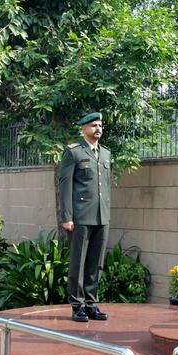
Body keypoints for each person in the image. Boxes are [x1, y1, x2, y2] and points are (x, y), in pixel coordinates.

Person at [58, 111, 111, 323]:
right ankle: (77, 306)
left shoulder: (105, 153)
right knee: (78, 263)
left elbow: (105, 188)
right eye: (93, 125)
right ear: (84, 129)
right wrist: (67, 216)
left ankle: (91, 304)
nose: (97, 128)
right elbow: (65, 186)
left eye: (99, 125)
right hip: (80, 217)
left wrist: (106, 212)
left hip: (101, 216)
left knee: (96, 263)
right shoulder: (73, 152)